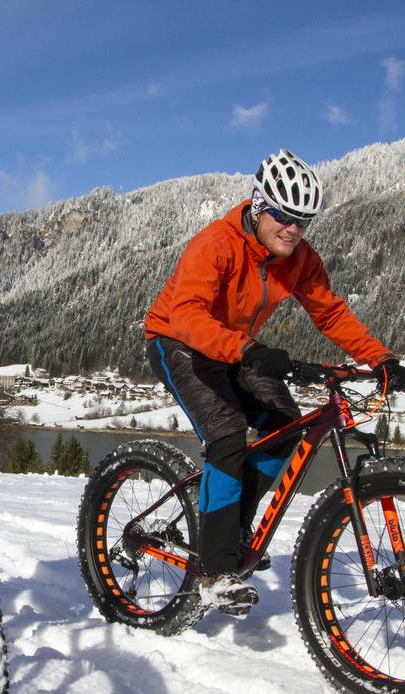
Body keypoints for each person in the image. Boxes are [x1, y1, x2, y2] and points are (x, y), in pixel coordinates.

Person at [144, 149, 404, 616]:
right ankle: (215, 568)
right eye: (284, 216)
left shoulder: (299, 258)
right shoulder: (216, 244)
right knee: (225, 436)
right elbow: (186, 314)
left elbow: (330, 312)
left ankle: (235, 527)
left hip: (238, 344)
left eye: (303, 221)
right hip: (178, 339)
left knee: (285, 429)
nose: (293, 229)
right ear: (259, 207)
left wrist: (380, 358)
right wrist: (249, 350)